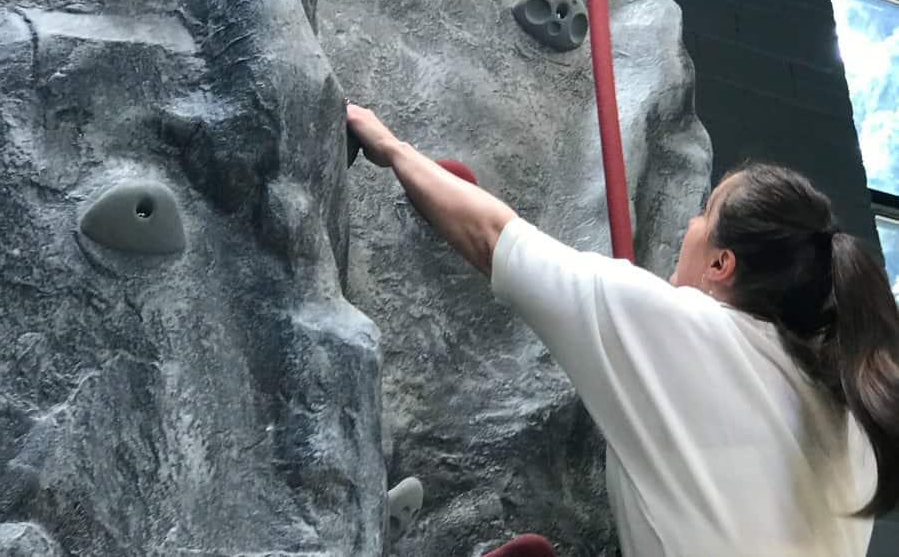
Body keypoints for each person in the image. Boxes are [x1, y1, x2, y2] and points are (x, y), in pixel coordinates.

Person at [348, 103, 899, 557]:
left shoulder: (686, 331)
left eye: (705, 213)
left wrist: (391, 146)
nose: (690, 224)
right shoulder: (850, 417)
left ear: (720, 265)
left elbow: (493, 237)